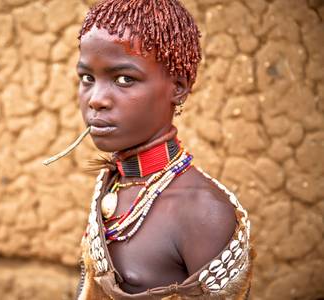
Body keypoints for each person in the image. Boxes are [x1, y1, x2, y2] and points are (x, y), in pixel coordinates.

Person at [42, 0, 253, 298]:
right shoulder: (114, 184)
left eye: (124, 79)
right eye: (87, 78)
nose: (96, 99)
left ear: (178, 87)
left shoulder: (202, 213)